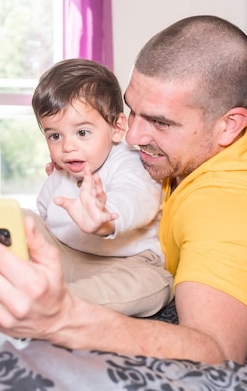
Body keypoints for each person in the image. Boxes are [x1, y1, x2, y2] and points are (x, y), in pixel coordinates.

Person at [0, 15, 247, 364]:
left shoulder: (228, 210)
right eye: (133, 110)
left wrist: (63, 319)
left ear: (229, 127)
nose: (135, 137)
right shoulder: (215, 110)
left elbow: (217, 349)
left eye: (159, 122)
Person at [30, 58, 173, 315]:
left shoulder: (129, 161)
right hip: (66, 254)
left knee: (154, 285)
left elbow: (136, 199)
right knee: (21, 219)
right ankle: (30, 281)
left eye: (82, 133)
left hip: (124, 263)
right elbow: (45, 210)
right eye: (55, 135)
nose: (67, 146)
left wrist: (104, 219)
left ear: (117, 128)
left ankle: (62, 298)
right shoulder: (64, 166)